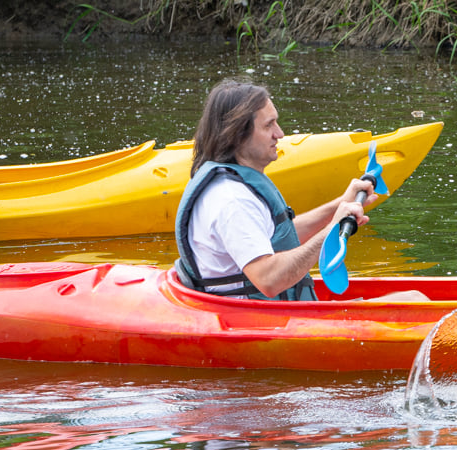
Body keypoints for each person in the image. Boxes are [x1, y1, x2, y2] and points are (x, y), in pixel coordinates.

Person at [174, 79, 424, 302]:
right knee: (415, 300)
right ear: (237, 134)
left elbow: (279, 238)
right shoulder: (231, 200)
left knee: (414, 298)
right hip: (259, 323)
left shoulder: (235, 187)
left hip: (271, 315)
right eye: (269, 125)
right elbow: (268, 279)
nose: (279, 134)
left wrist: (338, 206)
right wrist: (332, 231)